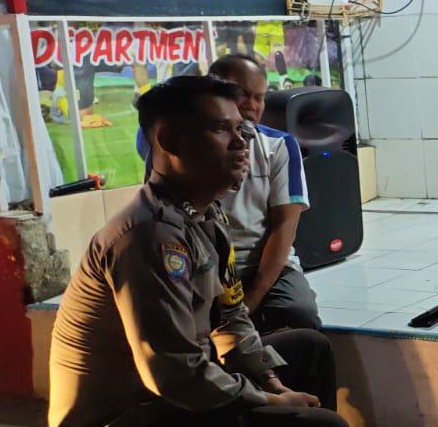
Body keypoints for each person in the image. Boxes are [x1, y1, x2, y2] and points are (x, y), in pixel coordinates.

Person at [49, 75, 343, 427]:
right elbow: (175, 374)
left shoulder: (205, 215)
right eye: (221, 129)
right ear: (169, 141)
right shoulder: (149, 236)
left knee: (310, 348)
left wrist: (272, 383)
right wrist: (270, 401)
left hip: (174, 392)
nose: (241, 143)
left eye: (241, 129)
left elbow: (231, 318)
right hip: (130, 413)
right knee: (323, 424)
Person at [136, 53, 318, 332]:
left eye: (261, 97)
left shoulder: (278, 146)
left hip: (257, 267)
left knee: (299, 318)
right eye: (243, 95)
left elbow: (284, 227)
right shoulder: (179, 153)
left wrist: (250, 300)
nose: (253, 107)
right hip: (203, 264)